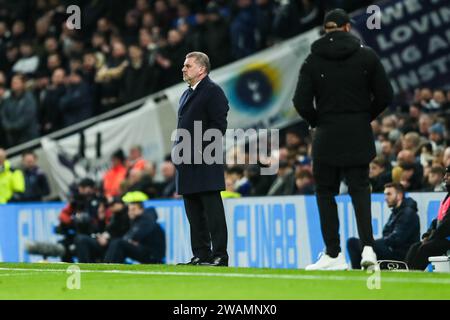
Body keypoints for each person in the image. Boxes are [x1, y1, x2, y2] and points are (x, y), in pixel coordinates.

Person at [292, 9, 394, 270]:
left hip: (326, 134)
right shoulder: (367, 56)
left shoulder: (313, 60)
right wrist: (363, 117)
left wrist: (317, 121)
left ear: (325, 30)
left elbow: (300, 102)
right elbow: (385, 95)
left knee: (325, 192)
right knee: (360, 190)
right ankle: (369, 249)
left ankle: (334, 254)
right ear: (348, 28)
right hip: (358, 133)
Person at [173, 52, 229, 266]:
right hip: (186, 162)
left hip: (205, 160)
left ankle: (220, 255)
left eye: (188, 65)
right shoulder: (187, 94)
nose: (183, 68)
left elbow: (218, 127)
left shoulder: (213, 92)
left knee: (212, 212)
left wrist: (199, 150)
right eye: (184, 65)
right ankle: (201, 254)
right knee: (194, 212)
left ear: (201, 69)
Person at [347, 183, 420, 269]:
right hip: (391, 249)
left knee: (363, 245)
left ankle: (360, 272)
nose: (386, 198)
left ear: (399, 195)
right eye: (385, 194)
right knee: (353, 242)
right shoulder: (397, 212)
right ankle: (361, 271)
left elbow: (397, 239)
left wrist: (375, 243)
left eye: (389, 194)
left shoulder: (408, 214)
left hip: (399, 255)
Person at [405, 165, 450, 270]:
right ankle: (407, 271)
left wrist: (431, 238)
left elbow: (447, 225)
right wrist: (428, 234)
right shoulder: (447, 197)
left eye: (448, 175)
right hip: (442, 237)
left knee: (425, 248)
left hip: (446, 238)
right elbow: (438, 220)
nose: (445, 177)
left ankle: (414, 274)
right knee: (415, 247)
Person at [104, 193, 165, 264]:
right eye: (129, 210)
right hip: (147, 251)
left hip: (153, 256)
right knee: (117, 243)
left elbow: (133, 236)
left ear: (141, 209)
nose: (130, 212)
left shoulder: (146, 220)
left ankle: (109, 265)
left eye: (133, 209)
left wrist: (131, 241)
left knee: (118, 243)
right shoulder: (140, 220)